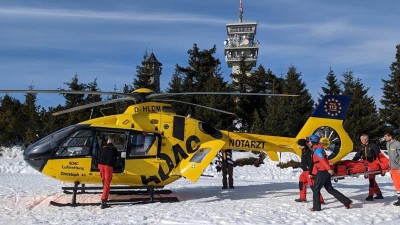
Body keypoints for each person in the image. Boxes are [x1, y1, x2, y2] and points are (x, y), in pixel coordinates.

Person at [307, 134, 352, 211]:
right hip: (323, 170)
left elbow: (322, 161)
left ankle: (316, 207)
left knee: (316, 189)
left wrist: (328, 169)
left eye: (309, 141)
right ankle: (347, 202)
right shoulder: (317, 149)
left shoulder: (317, 150)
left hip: (323, 171)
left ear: (313, 141)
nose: (309, 143)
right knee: (329, 189)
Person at [352, 134, 384, 201]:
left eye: (362, 140)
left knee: (371, 180)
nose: (361, 141)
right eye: (360, 140)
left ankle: (370, 196)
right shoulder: (361, 146)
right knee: (372, 180)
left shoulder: (373, 146)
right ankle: (379, 194)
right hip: (366, 166)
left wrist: (381, 166)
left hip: (373, 166)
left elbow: (379, 156)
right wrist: (352, 163)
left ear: (366, 139)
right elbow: (357, 155)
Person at [295, 139, 324, 203]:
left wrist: (311, 172)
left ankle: (320, 199)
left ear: (302, 145)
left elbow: (311, 162)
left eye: (299, 145)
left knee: (313, 185)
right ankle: (302, 198)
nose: (298, 146)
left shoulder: (308, 151)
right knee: (301, 182)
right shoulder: (304, 150)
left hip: (308, 171)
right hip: (304, 171)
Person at [98, 137, 118, 209]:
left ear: (107, 142)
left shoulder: (103, 148)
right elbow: (115, 159)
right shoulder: (114, 149)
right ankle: (104, 201)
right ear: (113, 142)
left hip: (100, 165)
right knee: (107, 183)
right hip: (108, 166)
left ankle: (104, 190)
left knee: (104, 180)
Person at [383, 131, 400, 206]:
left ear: (391, 136)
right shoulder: (388, 144)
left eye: (386, 136)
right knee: (396, 185)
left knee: (399, 184)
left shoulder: (397, 144)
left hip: (398, 168)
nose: (384, 137)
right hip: (392, 168)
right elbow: (391, 157)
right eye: (384, 136)